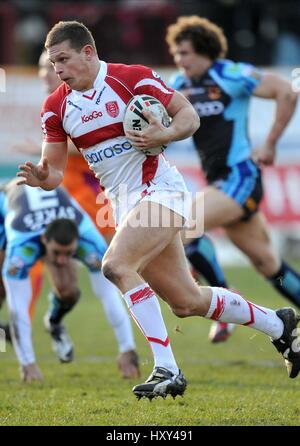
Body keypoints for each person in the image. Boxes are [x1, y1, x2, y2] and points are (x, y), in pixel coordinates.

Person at [17, 21, 300, 400]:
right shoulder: (55, 106)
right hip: (123, 204)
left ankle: (167, 368)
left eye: (63, 60)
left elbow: (188, 116)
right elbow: (53, 170)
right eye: (53, 64)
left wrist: (164, 134)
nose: (58, 71)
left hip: (161, 191)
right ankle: (278, 325)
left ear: (88, 52)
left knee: (116, 265)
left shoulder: (131, 78)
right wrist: (42, 176)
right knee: (187, 302)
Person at [166, 15, 300, 343]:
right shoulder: (179, 86)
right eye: (176, 55)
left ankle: (224, 300)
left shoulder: (230, 74)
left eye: (185, 53)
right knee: (267, 263)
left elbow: (286, 91)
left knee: (186, 227)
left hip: (240, 177)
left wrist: (269, 143)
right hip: (220, 185)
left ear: (204, 51)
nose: (180, 61)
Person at [0, 179, 139, 382]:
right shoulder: (20, 247)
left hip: (53, 210)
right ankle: (5, 336)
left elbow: (109, 294)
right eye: (56, 253)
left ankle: (54, 323)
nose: (63, 260)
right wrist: (27, 364)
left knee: (68, 291)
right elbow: (18, 306)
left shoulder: (90, 239)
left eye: (69, 253)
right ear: (44, 241)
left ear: (78, 241)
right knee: (2, 291)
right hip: (7, 203)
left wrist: (128, 349)